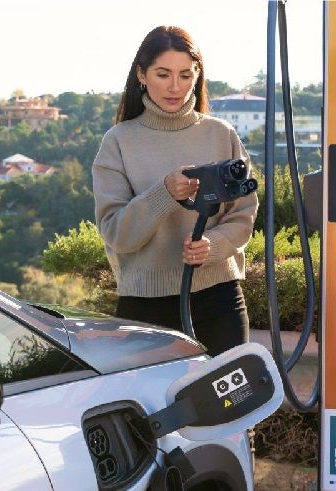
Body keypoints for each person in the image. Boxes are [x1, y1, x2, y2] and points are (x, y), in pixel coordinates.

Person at [92, 26, 258, 357]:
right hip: (145, 308)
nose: (174, 86)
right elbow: (116, 234)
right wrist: (164, 193)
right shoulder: (119, 141)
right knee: (152, 407)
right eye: (163, 74)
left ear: (198, 75)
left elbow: (244, 214)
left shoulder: (220, 134)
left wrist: (212, 247)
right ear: (142, 74)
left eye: (185, 75)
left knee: (229, 405)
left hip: (218, 299)